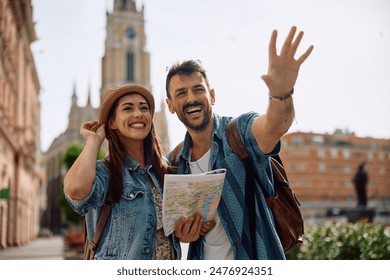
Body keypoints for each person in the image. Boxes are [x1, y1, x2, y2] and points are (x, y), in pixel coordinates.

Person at [165, 26, 313, 260]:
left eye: (198, 89)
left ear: (212, 95)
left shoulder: (238, 133)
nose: (191, 98)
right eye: (181, 93)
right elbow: (173, 228)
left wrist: (281, 93)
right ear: (170, 105)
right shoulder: (174, 163)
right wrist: (183, 233)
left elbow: (273, 127)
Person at [63, 84, 184, 260]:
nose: (138, 114)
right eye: (128, 108)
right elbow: (75, 191)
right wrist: (94, 141)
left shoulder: (162, 171)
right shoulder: (106, 172)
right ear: (112, 122)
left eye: (144, 108)